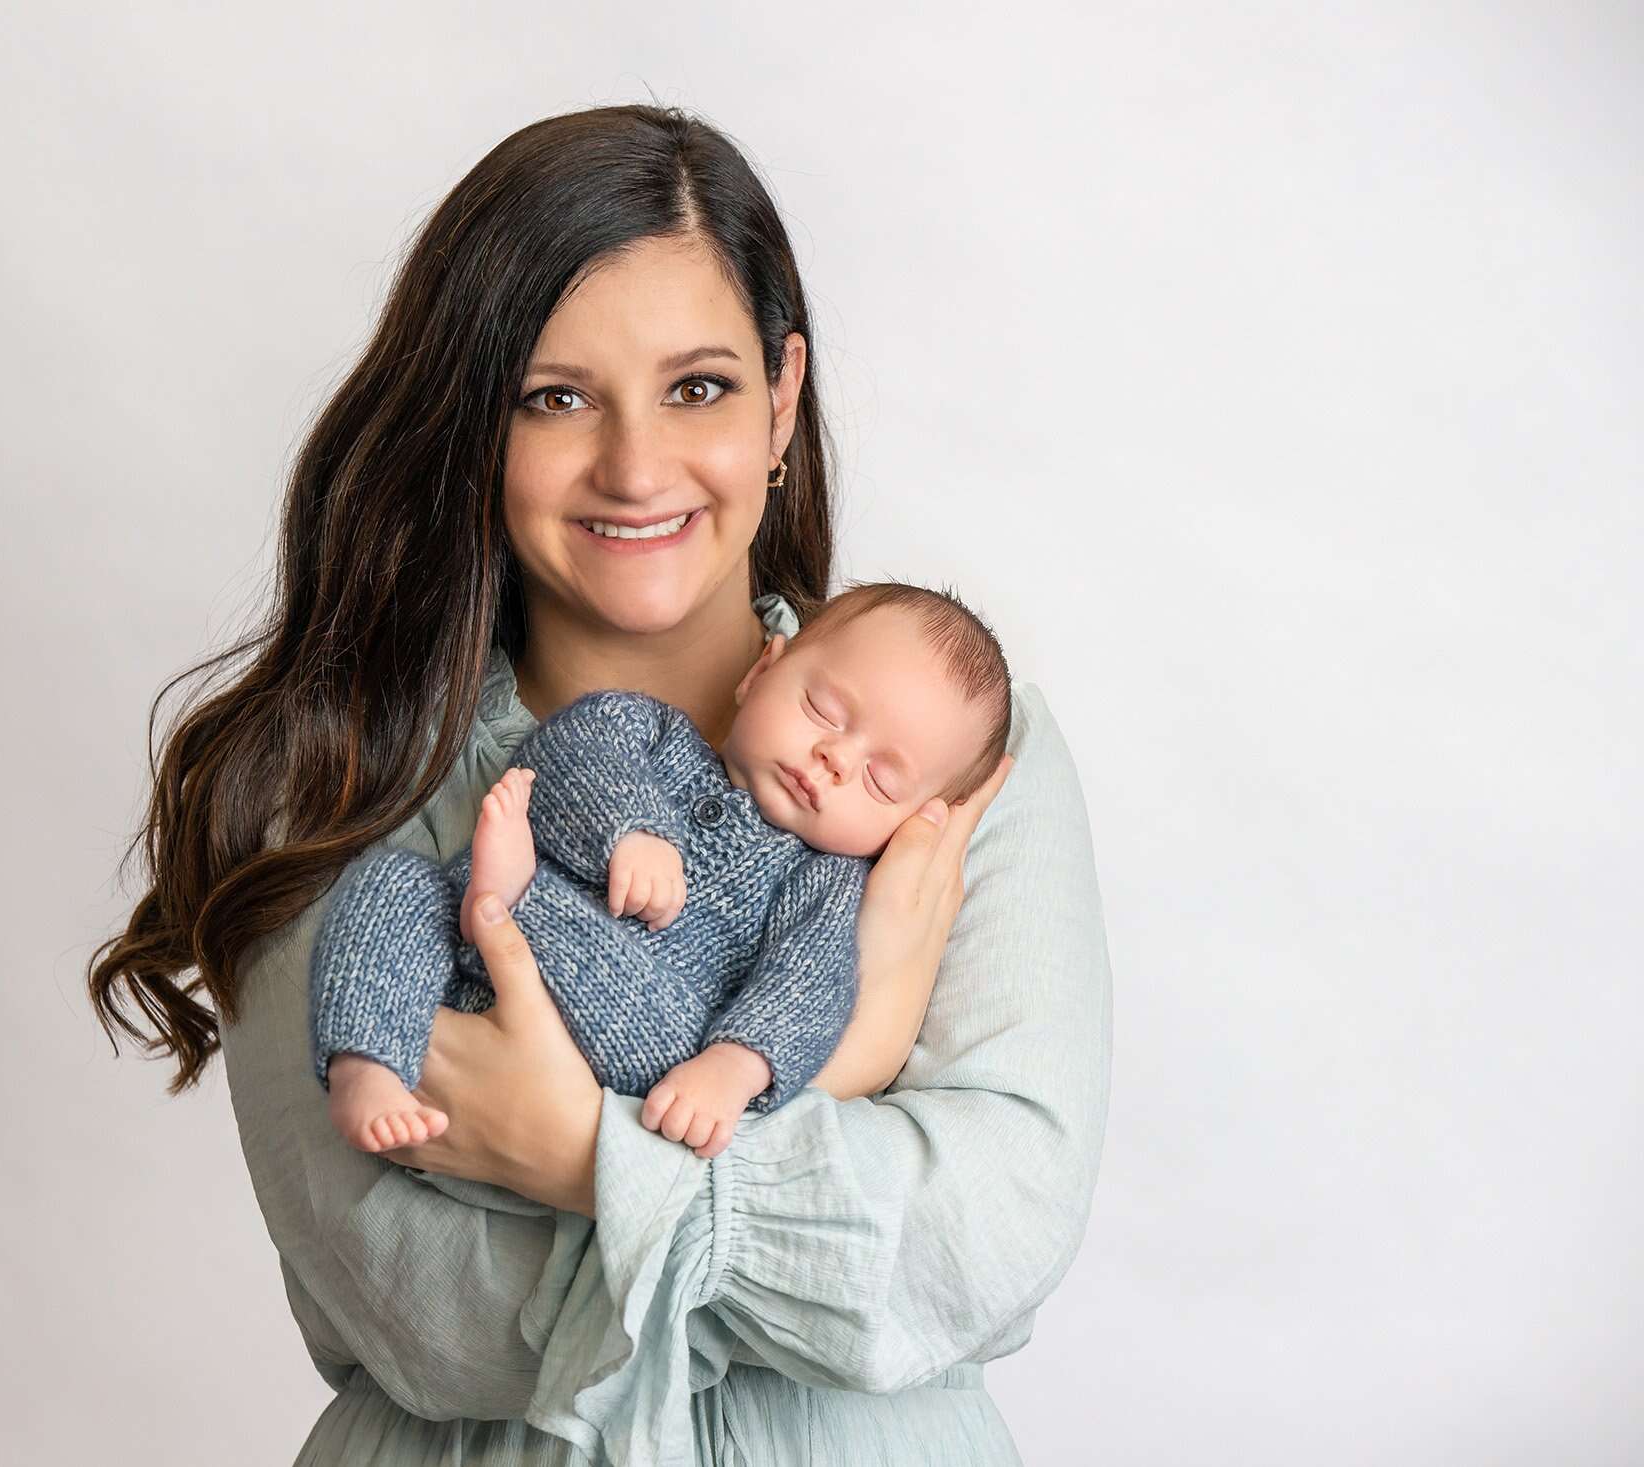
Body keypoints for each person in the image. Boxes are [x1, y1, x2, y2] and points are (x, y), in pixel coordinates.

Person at [88, 103, 1112, 1466]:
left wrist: (575, 1152)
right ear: (473, 423)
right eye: (554, 398)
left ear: (781, 399)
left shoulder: (964, 761)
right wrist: (856, 1075)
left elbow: (984, 1242)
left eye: (698, 388)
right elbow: (421, 1314)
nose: (634, 468)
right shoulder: (328, 775)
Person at [310, 583, 1013, 1164]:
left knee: (678, 1043)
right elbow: (570, 754)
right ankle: (365, 1063)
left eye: (882, 781)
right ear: (762, 672)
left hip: (635, 1025)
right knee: (392, 884)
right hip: (457, 963)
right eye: (823, 710)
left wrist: (733, 1066)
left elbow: (807, 984)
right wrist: (632, 828)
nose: (835, 758)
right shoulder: (654, 735)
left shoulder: (822, 883)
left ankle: (509, 900)